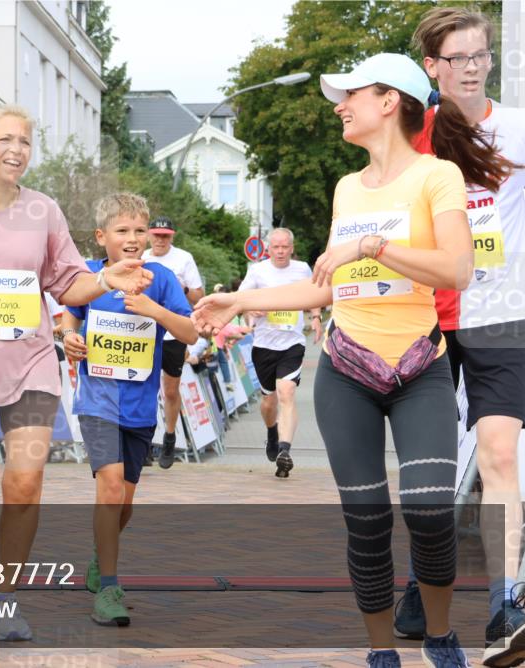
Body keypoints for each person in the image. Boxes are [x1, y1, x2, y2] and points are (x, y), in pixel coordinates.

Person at [194, 53, 482, 667]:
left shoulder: (438, 177)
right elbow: (327, 284)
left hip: (418, 367)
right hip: (347, 370)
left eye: (351, 93)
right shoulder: (347, 187)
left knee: (431, 509)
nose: (338, 104)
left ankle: (438, 635)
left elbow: (458, 268)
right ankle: (381, 651)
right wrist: (240, 299)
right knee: (367, 518)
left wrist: (373, 245)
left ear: (390, 102)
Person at [0, 103, 152, 641]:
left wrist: (107, 277)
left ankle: (7, 599)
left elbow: (69, 286)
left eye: (25, 142)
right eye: (6, 140)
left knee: (24, 481)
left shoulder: (44, 210)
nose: (17, 149)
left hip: (32, 364)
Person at [392, 9, 525, 665]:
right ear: (433, 68)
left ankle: (507, 604)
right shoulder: (417, 139)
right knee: (434, 471)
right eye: (460, 58)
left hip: (504, 318)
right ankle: (422, 578)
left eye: (481, 55)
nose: (473, 67)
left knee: (500, 454)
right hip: (433, 320)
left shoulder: (519, 129)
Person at [60, 192, 196, 627]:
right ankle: (110, 587)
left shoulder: (162, 278)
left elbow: (190, 332)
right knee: (111, 488)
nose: (133, 239)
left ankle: (102, 556)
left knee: (127, 504)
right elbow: (69, 314)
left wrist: (154, 309)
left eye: (140, 230)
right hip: (98, 401)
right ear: (103, 237)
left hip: (140, 407)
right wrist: (70, 338)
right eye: (122, 231)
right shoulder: (91, 278)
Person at [237, 227, 322, 478]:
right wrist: (251, 311)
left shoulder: (302, 269)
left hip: (292, 343)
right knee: (268, 402)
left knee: (287, 392)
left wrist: (316, 316)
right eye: (276, 247)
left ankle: (285, 450)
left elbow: (315, 293)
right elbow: (241, 298)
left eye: (285, 246)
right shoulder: (257, 271)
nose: (281, 251)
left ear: (292, 248)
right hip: (264, 345)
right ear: (268, 248)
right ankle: (272, 431)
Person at [141, 216, 203, 468]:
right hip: (144, 331)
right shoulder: (141, 258)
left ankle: (169, 436)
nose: (160, 240)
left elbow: (199, 296)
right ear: (148, 235)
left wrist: (182, 289)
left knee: (169, 390)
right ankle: (143, 442)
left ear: (172, 236)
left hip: (173, 333)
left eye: (165, 235)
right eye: (156, 235)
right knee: (145, 387)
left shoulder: (183, 258)